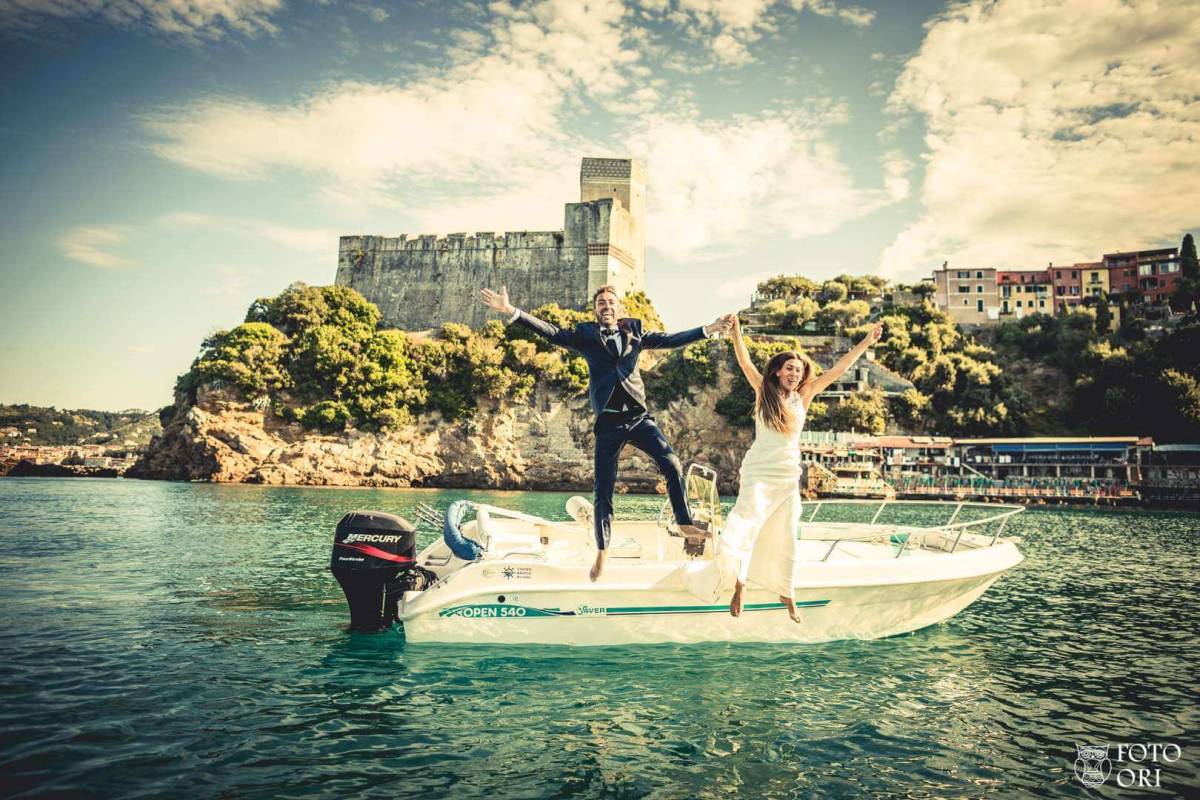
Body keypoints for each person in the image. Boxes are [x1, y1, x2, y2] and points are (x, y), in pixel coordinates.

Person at [480, 284, 733, 581]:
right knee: (603, 488)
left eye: (611, 302)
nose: (606, 306)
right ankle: (603, 550)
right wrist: (511, 311)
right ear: (596, 310)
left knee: (672, 464)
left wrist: (711, 328)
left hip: (639, 418)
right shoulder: (585, 337)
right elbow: (551, 332)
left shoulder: (635, 333)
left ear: (619, 308)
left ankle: (685, 523)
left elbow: (671, 339)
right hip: (609, 423)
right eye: (601, 303)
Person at [724, 315, 883, 622]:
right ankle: (739, 584)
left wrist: (865, 342)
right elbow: (744, 362)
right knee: (748, 524)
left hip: (787, 475)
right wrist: (736, 332)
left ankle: (786, 591)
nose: (794, 374)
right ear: (777, 371)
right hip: (759, 471)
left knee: (785, 534)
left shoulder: (803, 396)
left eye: (799, 370)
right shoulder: (763, 391)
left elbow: (840, 369)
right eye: (789, 369)